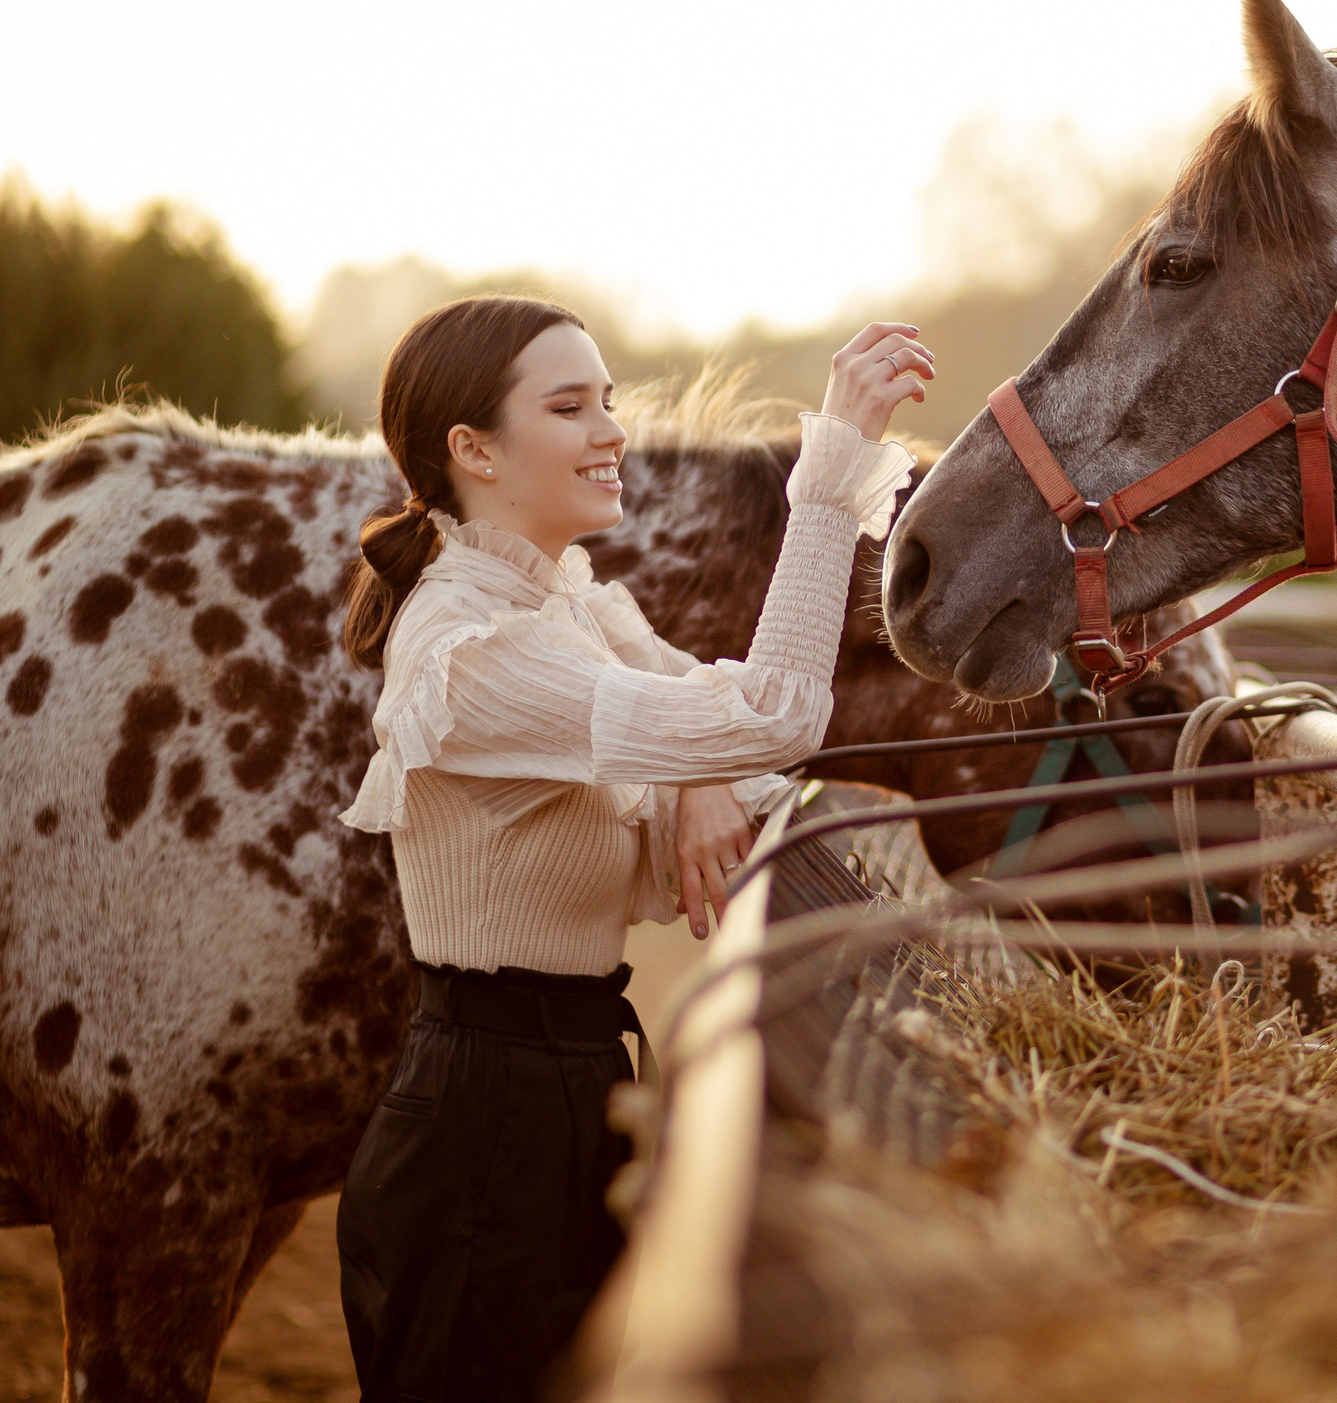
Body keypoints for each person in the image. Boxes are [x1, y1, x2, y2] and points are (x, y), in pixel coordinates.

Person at [330, 294, 932, 1402]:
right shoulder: (474, 647)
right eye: (569, 407)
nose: (612, 430)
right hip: (480, 1129)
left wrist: (694, 767)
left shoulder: (570, 606)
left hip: (576, 1089)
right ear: (474, 450)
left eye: (607, 400)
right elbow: (774, 716)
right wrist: (827, 475)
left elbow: (736, 749)